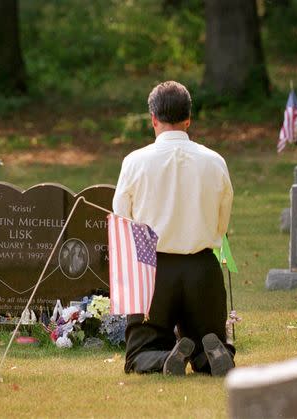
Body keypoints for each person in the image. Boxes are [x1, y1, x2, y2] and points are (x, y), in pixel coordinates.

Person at [112, 81, 235, 376]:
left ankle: (161, 358)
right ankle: (213, 354)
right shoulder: (214, 161)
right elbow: (223, 220)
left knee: (141, 350)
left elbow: (122, 217)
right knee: (210, 338)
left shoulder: (135, 162)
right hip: (202, 268)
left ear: (153, 119)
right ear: (189, 118)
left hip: (153, 269)